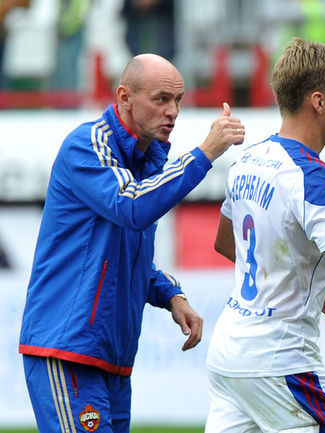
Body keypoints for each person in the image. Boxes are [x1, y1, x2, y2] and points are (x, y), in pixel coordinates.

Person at [19, 53, 245, 432]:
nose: (173, 111)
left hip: (110, 358)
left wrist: (171, 294)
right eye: (161, 99)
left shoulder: (146, 160)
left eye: (178, 100)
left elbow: (124, 255)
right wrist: (204, 153)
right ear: (125, 97)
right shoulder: (87, 144)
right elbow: (133, 206)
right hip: (67, 349)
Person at [204, 37, 325, 433]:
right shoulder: (312, 174)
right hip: (280, 361)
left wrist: (310, 288)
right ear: (318, 101)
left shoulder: (248, 160)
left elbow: (226, 243)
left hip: (229, 354)